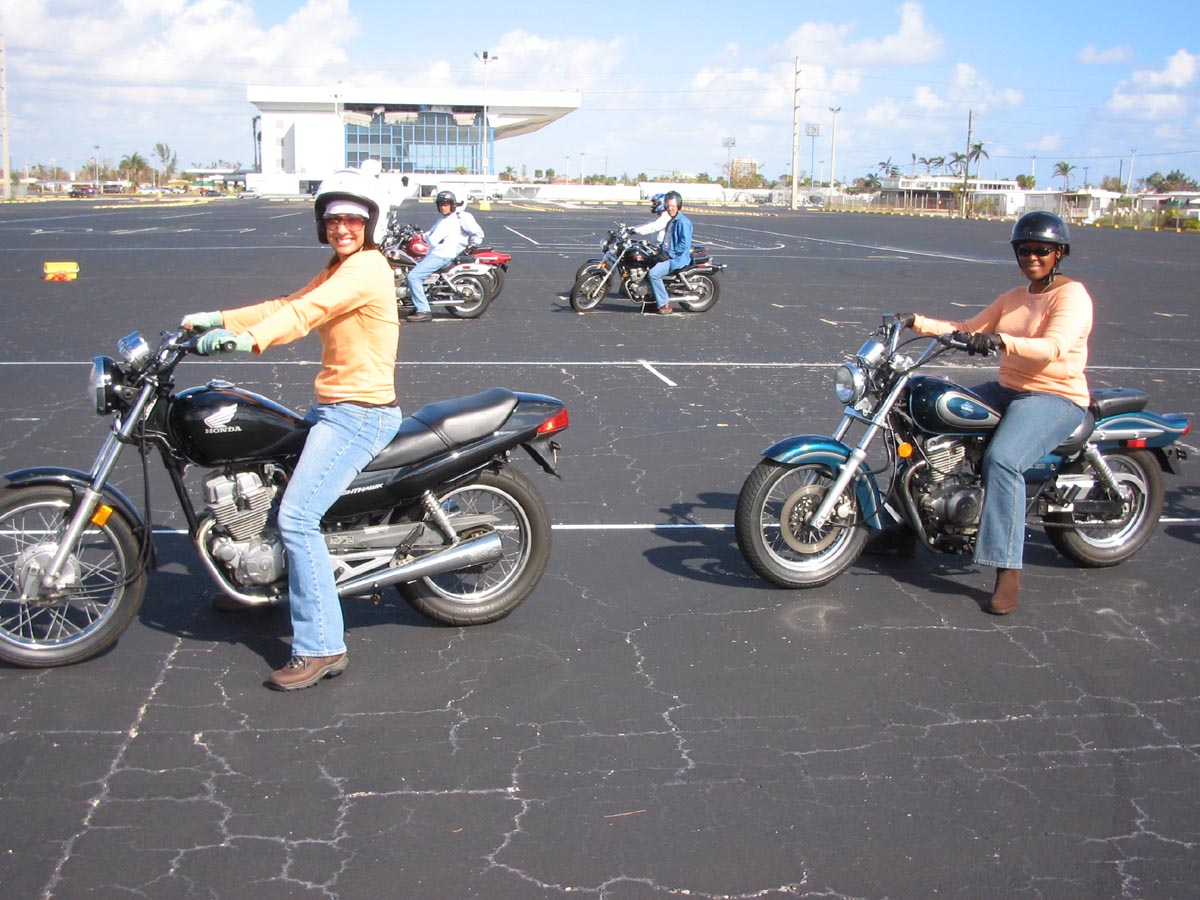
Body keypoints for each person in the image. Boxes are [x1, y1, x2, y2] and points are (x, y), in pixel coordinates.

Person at [180, 167, 402, 690]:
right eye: (333, 219)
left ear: (371, 223)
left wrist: (248, 341)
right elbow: (288, 304)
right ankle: (258, 585)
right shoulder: (339, 266)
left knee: (299, 517)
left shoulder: (367, 268)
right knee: (269, 480)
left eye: (353, 219)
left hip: (360, 412)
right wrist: (220, 319)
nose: (341, 227)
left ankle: (322, 646)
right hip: (333, 406)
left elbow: (307, 314)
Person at [902, 211, 1093, 615]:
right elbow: (967, 327)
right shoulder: (1014, 296)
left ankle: (1007, 569)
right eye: (1024, 250)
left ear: (1059, 253)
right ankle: (903, 527)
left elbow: (1054, 347)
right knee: (924, 417)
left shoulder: (1072, 296)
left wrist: (999, 340)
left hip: (1055, 396)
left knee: (1003, 461)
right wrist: (915, 322)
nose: (1032, 257)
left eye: (1041, 249)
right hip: (1008, 389)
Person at [406, 190, 485, 322]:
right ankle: (417, 302)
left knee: (413, 276)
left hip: (441, 254)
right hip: (437, 253)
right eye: (441, 205)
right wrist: (418, 236)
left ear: (452, 205)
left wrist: (423, 239)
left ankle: (423, 310)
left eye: (446, 204)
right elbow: (430, 234)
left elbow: (433, 239)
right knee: (412, 268)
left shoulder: (453, 220)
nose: (443, 207)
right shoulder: (442, 220)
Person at [646, 191, 693, 315]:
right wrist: (659, 252)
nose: (670, 208)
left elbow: (683, 245)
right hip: (668, 255)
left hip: (676, 259)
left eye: (672, 206)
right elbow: (667, 241)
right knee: (646, 264)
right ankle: (652, 301)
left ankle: (665, 304)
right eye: (668, 206)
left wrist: (668, 255)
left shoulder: (682, 222)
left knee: (653, 274)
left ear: (678, 206)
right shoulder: (672, 221)